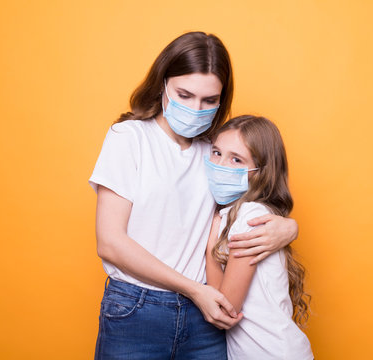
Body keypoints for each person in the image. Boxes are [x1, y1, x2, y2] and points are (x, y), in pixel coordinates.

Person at [89, 32, 298, 359]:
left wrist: (289, 227)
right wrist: (193, 290)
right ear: (163, 85)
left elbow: (245, 207)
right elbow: (110, 242)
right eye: (184, 95)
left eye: (209, 101)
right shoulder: (129, 138)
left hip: (205, 319)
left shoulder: (217, 152)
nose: (195, 108)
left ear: (221, 100)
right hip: (138, 310)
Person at [205, 115, 313, 360]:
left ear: (261, 172)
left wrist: (210, 248)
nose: (221, 164)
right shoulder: (235, 212)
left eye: (236, 159)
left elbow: (225, 309)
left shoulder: (250, 216)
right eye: (216, 152)